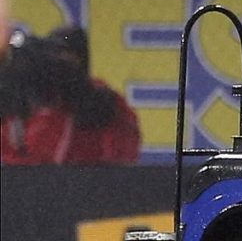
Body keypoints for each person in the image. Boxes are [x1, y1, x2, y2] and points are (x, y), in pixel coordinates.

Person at [0, 27, 141, 165]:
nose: (55, 62)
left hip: (91, 182)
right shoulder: (30, 99)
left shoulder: (100, 98)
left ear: (78, 59)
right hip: (37, 182)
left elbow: (45, 161)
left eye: (62, 53)